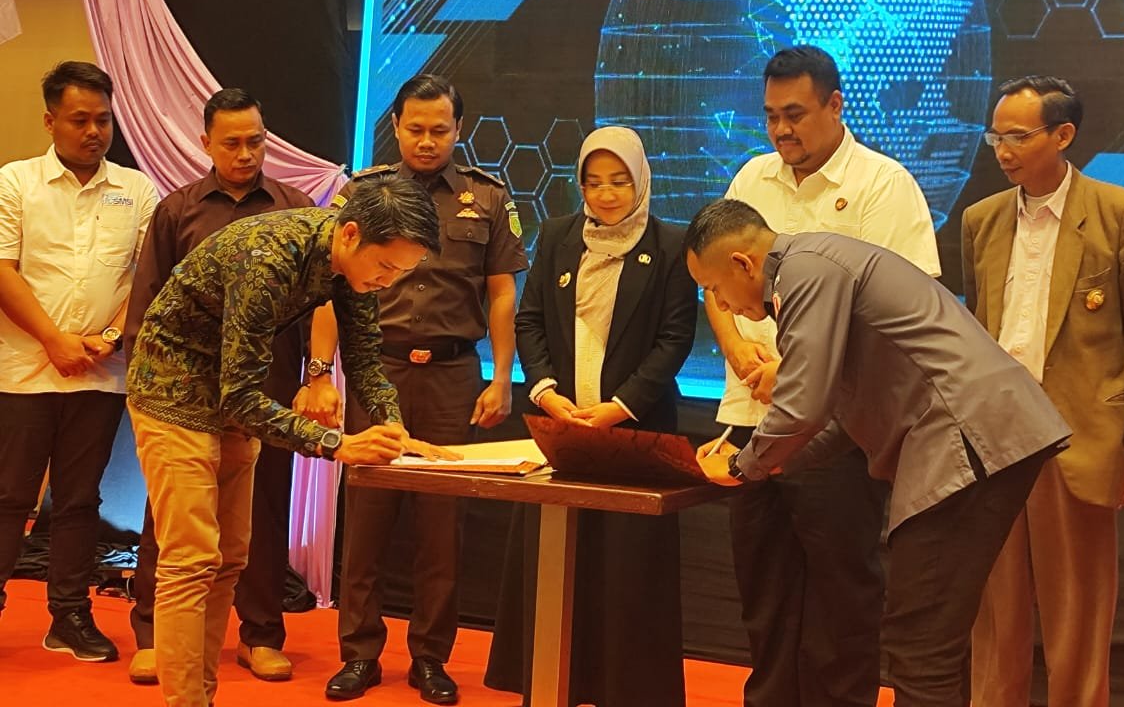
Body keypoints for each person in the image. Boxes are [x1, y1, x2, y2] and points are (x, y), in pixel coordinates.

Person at [686, 199, 1070, 707]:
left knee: (920, 644)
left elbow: (803, 405)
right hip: (974, 436)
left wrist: (742, 463)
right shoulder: (812, 265)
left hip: (965, 440)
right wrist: (772, 467)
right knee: (929, 641)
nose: (721, 304)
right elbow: (841, 419)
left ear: (742, 263)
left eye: (714, 288)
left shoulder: (804, 270)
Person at [127, 177, 452, 707]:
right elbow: (242, 399)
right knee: (191, 558)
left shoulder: (354, 268)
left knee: (230, 557)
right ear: (351, 234)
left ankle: (200, 695)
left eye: (402, 272)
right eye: (386, 267)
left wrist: (392, 425)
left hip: (228, 393)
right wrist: (337, 444)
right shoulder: (270, 258)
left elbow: (364, 361)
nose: (388, 281)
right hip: (172, 390)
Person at [703, 45, 939, 707]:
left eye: (795, 114)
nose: (781, 130)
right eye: (771, 116)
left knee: (841, 597)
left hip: (840, 431)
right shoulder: (751, 177)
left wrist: (796, 370)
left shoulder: (883, 184)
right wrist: (738, 351)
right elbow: (713, 281)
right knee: (764, 595)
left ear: (836, 105)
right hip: (751, 420)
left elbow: (904, 312)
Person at [322, 74, 528, 704]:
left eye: (440, 129)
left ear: (458, 129)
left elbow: (502, 292)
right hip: (375, 369)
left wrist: (501, 376)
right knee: (366, 521)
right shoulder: (362, 193)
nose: (427, 140)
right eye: (415, 128)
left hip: (451, 377)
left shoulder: (485, 197)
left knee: (442, 530)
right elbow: (329, 285)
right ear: (396, 126)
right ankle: (359, 653)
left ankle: (431, 657)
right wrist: (318, 373)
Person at [962, 76, 1124, 707]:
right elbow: (976, 328)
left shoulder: (1122, 213)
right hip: (996, 436)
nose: (1003, 150)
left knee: (1076, 610)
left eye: (1018, 136)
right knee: (994, 612)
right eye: (996, 136)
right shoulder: (980, 220)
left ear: (1063, 135)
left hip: (1078, 436)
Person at [484, 126, 698, 707]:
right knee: (557, 561)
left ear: (641, 181)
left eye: (619, 181)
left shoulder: (671, 245)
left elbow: (675, 338)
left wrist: (618, 407)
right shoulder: (557, 236)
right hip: (562, 433)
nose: (605, 194)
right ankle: (551, 687)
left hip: (636, 432)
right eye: (593, 182)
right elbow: (530, 320)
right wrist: (545, 392)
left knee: (628, 571)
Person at [123, 89, 315, 685]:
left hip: (265, 385)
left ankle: (261, 634)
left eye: (255, 141)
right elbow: (147, 304)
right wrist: (143, 389)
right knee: (173, 519)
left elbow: (322, 303)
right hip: (182, 394)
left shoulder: (294, 208)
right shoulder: (177, 211)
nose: (245, 153)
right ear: (205, 142)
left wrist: (318, 376)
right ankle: (155, 634)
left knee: (260, 514)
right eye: (231, 143)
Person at [0, 61, 157, 663]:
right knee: (9, 496)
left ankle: (69, 615)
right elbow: (3, 270)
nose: (94, 131)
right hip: (22, 370)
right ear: (50, 121)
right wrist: (53, 340)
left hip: (100, 372)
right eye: (79, 119)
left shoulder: (137, 190)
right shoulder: (16, 182)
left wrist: (112, 336)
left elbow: (146, 275)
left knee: (79, 500)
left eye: (103, 119)